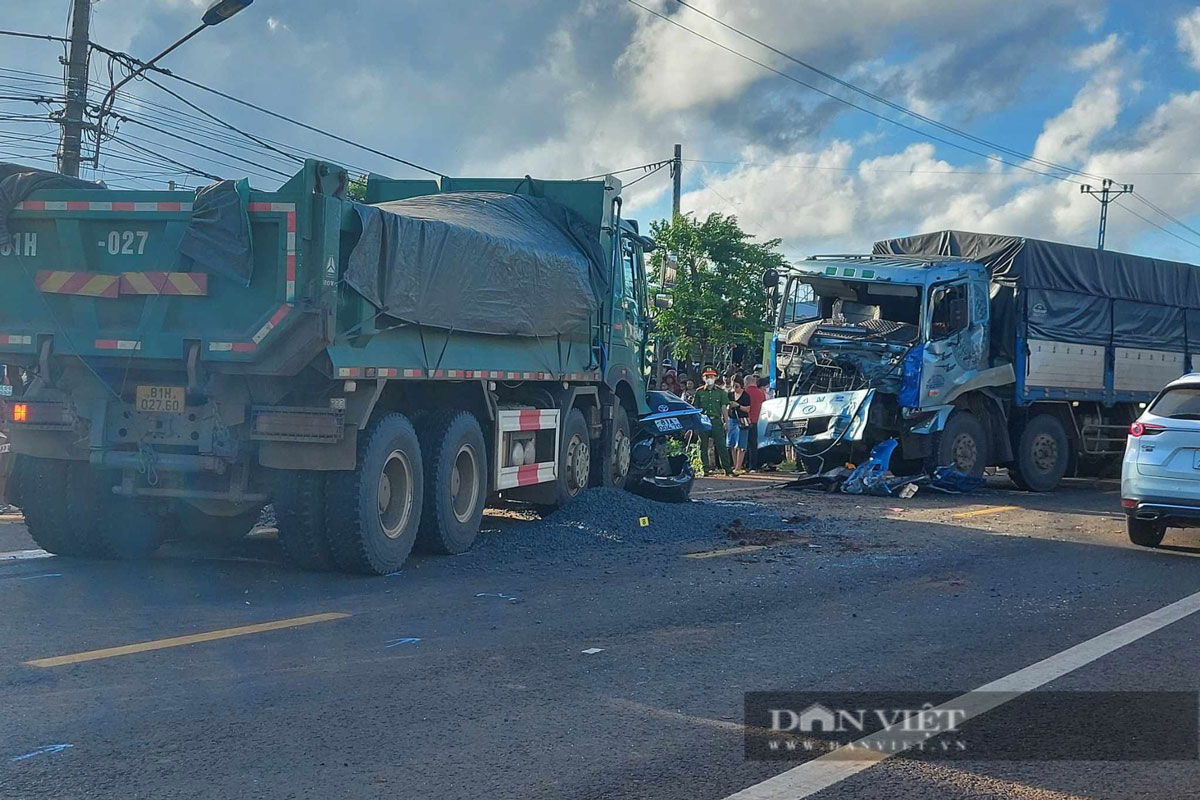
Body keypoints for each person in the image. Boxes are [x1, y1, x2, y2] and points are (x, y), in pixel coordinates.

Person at [692, 367, 733, 476]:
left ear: (715, 378)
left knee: (721, 446)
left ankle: (727, 469)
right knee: (703, 446)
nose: (709, 379)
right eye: (707, 377)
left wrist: (726, 422)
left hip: (716, 421)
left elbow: (724, 407)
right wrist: (695, 423)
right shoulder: (699, 392)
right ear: (703, 378)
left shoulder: (720, 392)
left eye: (711, 377)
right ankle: (705, 469)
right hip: (704, 421)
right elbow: (696, 408)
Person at [727, 376, 752, 473]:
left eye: (737, 386)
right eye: (733, 386)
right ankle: (735, 465)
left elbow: (747, 409)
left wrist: (738, 405)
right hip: (731, 420)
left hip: (742, 420)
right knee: (732, 444)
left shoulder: (746, 395)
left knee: (741, 444)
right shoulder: (730, 395)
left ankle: (739, 466)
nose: (735, 389)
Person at [743, 376, 768, 471]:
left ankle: (743, 464)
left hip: (745, 420)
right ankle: (753, 465)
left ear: (746, 382)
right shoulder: (761, 393)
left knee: (743, 444)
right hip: (758, 421)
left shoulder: (744, 392)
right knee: (753, 444)